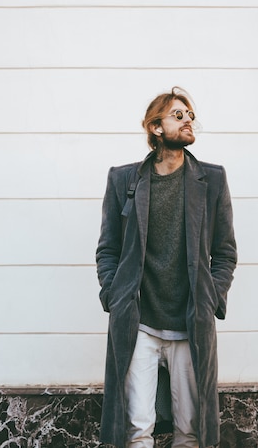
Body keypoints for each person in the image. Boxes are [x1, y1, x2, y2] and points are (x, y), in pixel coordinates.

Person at [96, 87, 237, 448]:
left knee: (189, 430)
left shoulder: (212, 180)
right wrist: (114, 294)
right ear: (156, 127)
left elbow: (224, 253)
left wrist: (211, 296)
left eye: (191, 115)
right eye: (179, 115)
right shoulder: (124, 180)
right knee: (137, 429)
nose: (189, 120)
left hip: (189, 323)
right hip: (138, 323)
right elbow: (108, 249)